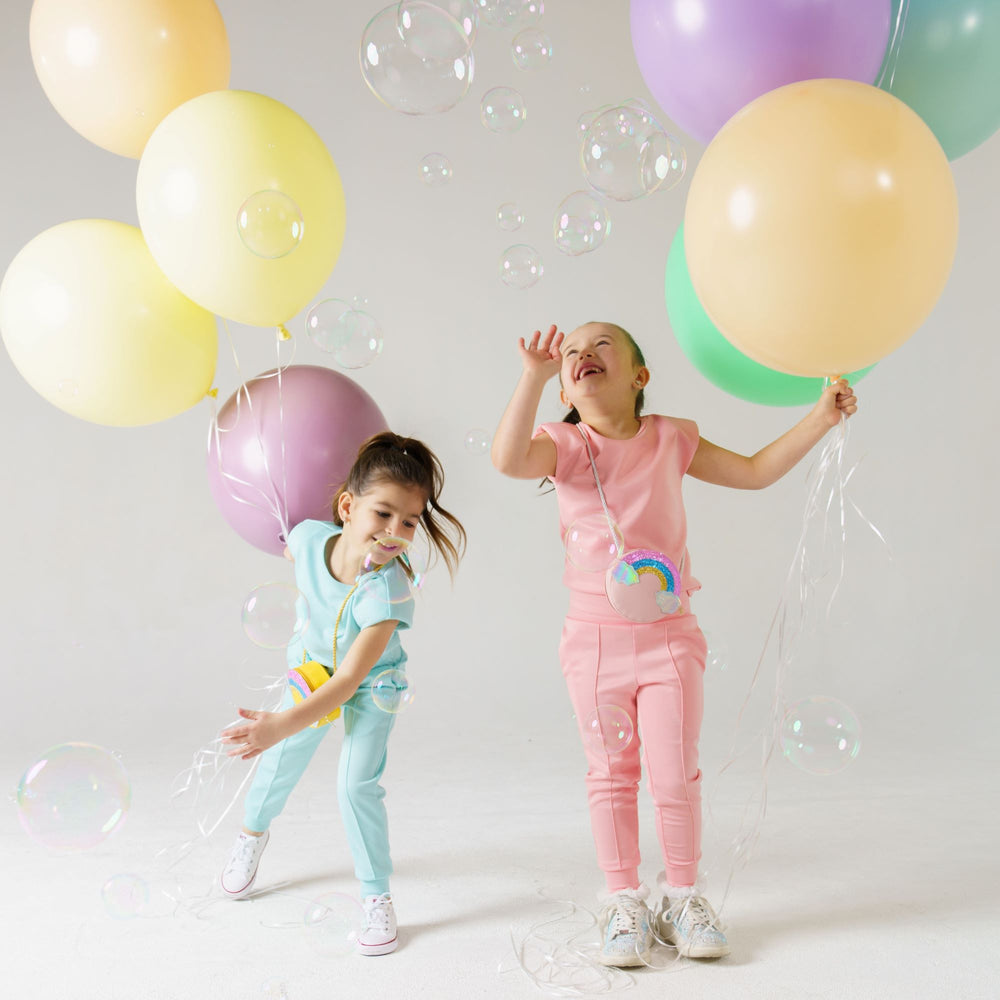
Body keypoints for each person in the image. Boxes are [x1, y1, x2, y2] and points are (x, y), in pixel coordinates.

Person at [491, 322, 857, 966]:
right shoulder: (565, 444)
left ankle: (683, 895)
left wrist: (820, 418)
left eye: (601, 345)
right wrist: (530, 377)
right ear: (565, 389)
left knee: (675, 773)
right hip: (594, 644)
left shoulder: (671, 437)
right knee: (610, 774)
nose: (581, 355)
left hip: (669, 640)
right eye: (571, 352)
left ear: (640, 376)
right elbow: (507, 460)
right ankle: (622, 900)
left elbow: (752, 471)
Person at [219, 431, 466, 956]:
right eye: (383, 513)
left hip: (371, 685)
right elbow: (293, 549)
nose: (395, 531)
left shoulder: (390, 587)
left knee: (356, 785)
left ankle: (377, 897)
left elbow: (350, 679)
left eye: (409, 521)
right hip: (311, 670)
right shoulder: (310, 539)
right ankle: (251, 835)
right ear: (348, 507)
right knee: (279, 760)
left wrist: (277, 723)